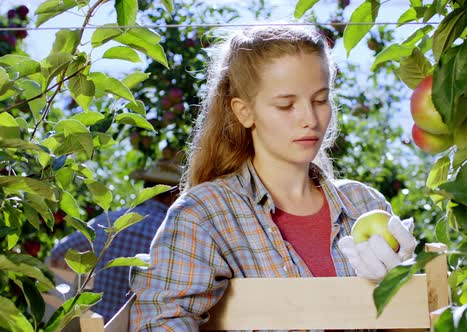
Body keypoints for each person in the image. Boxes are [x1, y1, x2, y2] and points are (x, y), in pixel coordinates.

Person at [129, 24, 417, 330]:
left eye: (320, 100)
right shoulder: (204, 215)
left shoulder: (364, 204)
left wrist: (405, 290)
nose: (310, 118)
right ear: (244, 112)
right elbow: (158, 321)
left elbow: (411, 321)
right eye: (286, 105)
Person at [48, 158, 182, 322]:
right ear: (175, 195)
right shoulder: (177, 233)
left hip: (97, 325)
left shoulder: (108, 221)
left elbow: (57, 254)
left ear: (146, 188)